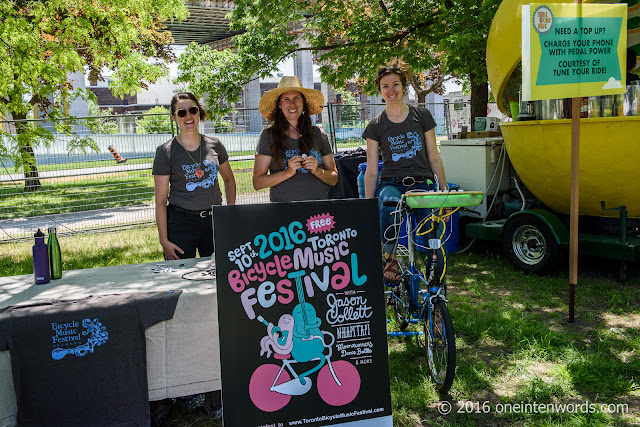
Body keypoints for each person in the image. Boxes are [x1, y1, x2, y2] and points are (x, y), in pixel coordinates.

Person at [362, 59, 449, 284]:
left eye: (395, 85)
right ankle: (389, 259)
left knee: (431, 233)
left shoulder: (422, 116)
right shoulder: (375, 125)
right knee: (389, 205)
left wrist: (444, 190)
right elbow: (372, 170)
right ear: (380, 91)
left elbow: (434, 156)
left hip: (421, 183)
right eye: (385, 86)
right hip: (392, 183)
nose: (391, 90)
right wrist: (369, 204)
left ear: (404, 86)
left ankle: (435, 286)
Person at [152, 92, 236, 260]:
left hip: (214, 221)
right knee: (181, 277)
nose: (188, 116)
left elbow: (229, 179)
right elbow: (161, 201)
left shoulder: (215, 145)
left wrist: (229, 212)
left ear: (199, 112)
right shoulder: (165, 151)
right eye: (181, 112)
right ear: (174, 117)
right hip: (181, 223)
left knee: (218, 275)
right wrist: (164, 240)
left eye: (192, 110)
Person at [253, 76, 338, 202]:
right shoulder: (268, 136)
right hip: (284, 213)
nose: (292, 104)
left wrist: (318, 171)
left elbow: (334, 178)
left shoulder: (318, 134)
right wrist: (288, 173)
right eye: (286, 99)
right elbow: (258, 182)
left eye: (296, 99)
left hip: (318, 214)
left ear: (303, 104)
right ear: (280, 105)